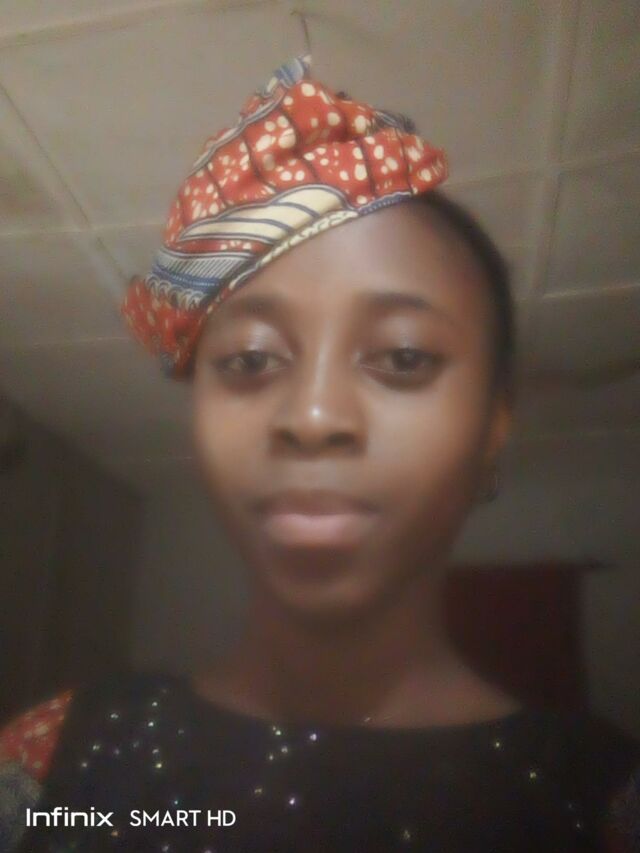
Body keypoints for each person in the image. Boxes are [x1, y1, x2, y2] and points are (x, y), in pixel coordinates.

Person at [1, 54, 639, 853]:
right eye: (250, 360)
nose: (310, 417)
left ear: (492, 426)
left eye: (404, 357)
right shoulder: (54, 761)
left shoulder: (603, 805)